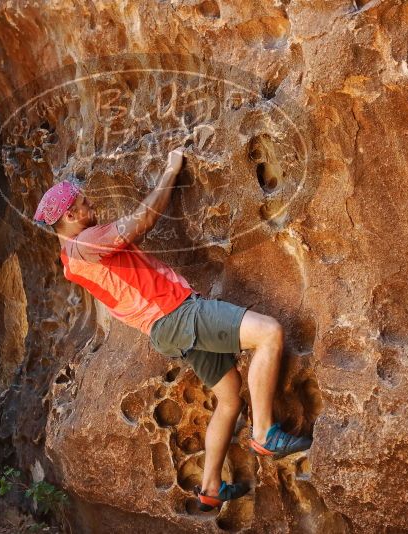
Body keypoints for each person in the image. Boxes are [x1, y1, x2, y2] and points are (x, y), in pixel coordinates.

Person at [33, 147, 312, 512]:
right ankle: (264, 433)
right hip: (178, 313)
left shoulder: (72, 257)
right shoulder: (84, 243)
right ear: (69, 215)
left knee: (229, 397)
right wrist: (170, 170)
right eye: (85, 204)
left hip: (165, 329)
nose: (92, 208)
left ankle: (210, 486)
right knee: (270, 333)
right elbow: (141, 221)